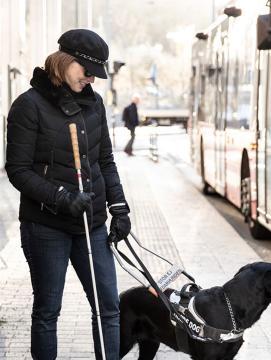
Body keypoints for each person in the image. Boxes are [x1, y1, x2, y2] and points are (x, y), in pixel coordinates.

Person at [5, 29, 131, 360]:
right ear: (64, 61)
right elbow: (17, 170)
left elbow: (105, 160)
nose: (91, 79)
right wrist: (61, 196)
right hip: (46, 226)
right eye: (87, 71)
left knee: (109, 307)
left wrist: (119, 207)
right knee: (48, 312)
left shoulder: (95, 104)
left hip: (92, 223)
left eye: (96, 74)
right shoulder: (28, 105)